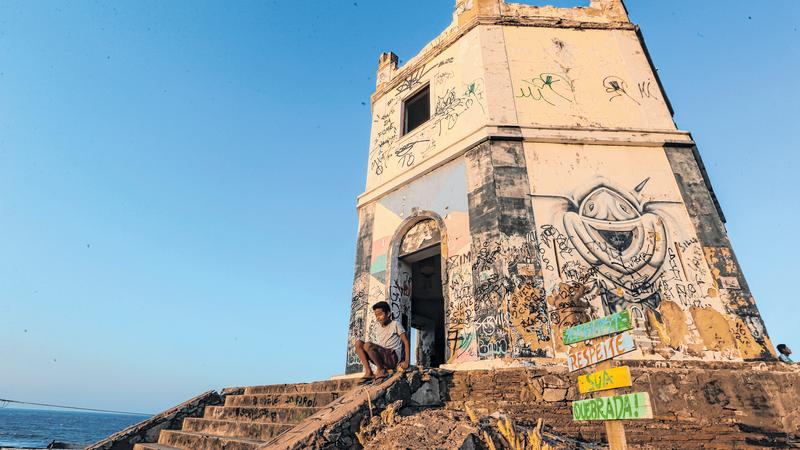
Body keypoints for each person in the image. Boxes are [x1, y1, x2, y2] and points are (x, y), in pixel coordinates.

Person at [355, 301, 410, 378]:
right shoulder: (378, 327)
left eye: (380, 314)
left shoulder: (395, 324)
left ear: (388, 313)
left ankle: (381, 370)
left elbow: (406, 342)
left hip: (393, 358)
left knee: (368, 345)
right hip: (383, 357)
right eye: (376, 315)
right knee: (358, 343)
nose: (378, 317)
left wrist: (406, 361)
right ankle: (369, 371)